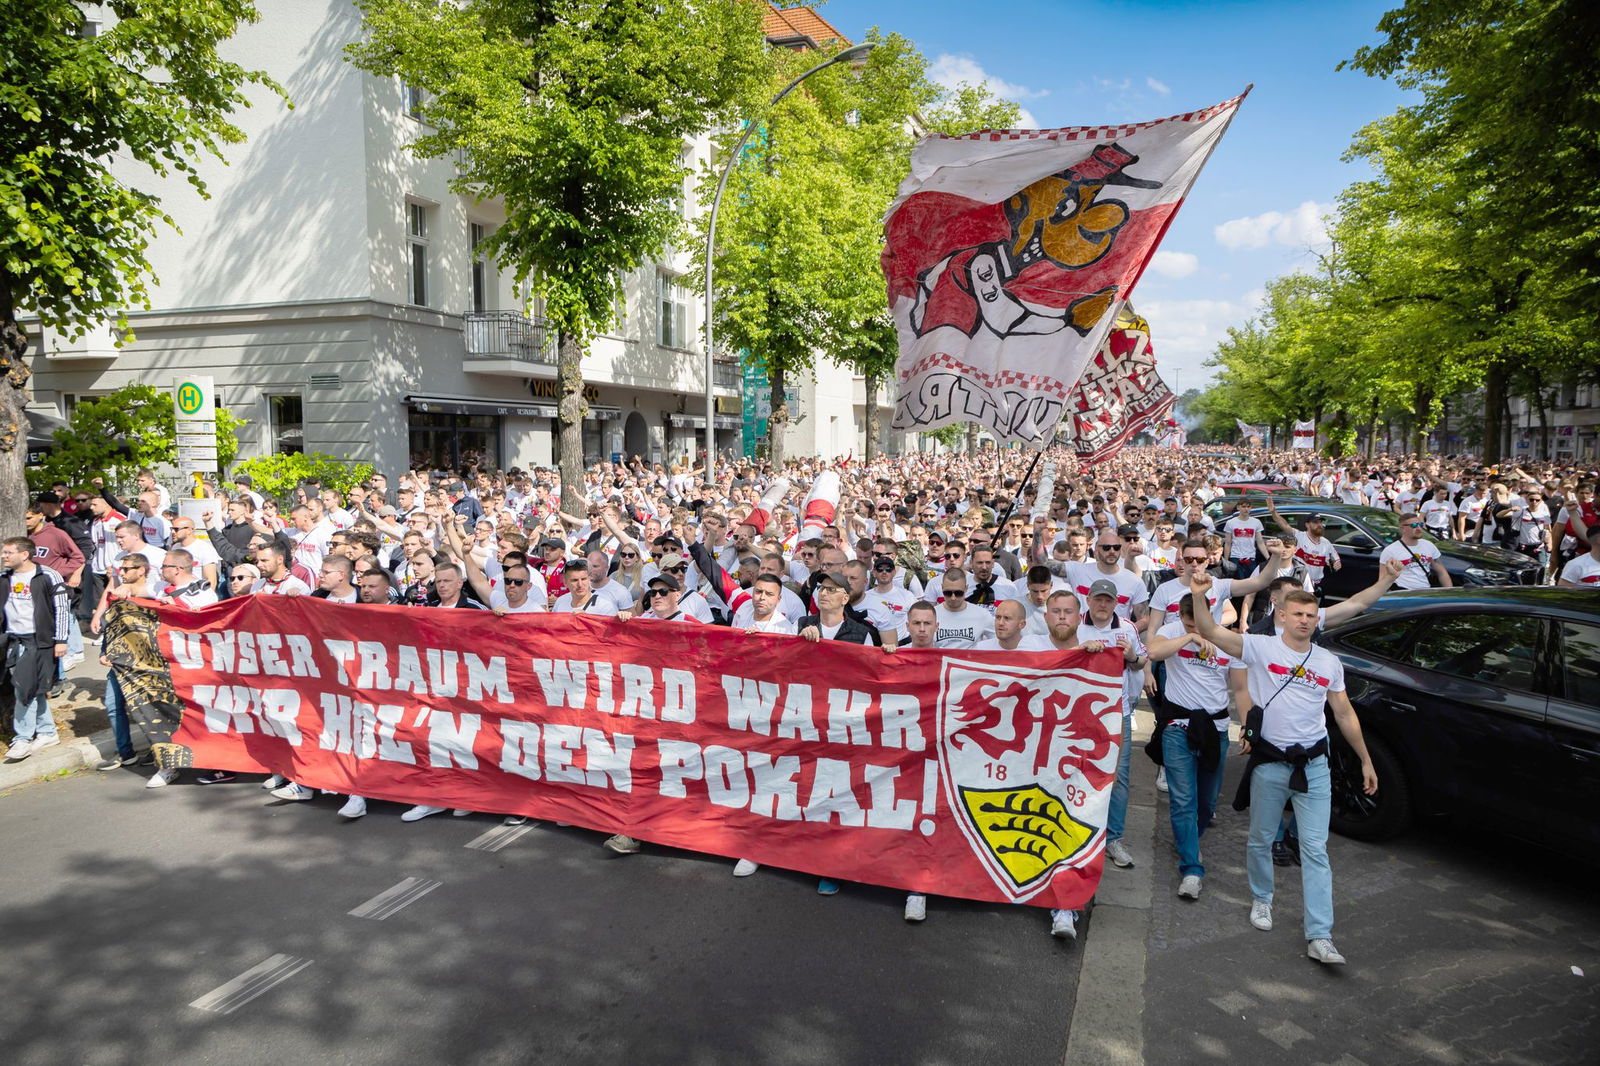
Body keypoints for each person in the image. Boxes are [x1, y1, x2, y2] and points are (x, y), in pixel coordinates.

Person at [1187, 571, 1378, 966]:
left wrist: (1365, 759)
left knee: (1315, 850)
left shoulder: (1328, 661)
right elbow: (1209, 629)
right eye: (1298, 614)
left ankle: (1320, 934)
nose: (1305, 620)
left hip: (1315, 765)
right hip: (1271, 762)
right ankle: (1262, 899)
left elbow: (1343, 712)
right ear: (1283, 615)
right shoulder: (1259, 647)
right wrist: (1201, 596)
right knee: (1260, 839)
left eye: (1311, 615)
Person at [1144, 595, 1239, 900]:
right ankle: (1192, 868)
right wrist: (1189, 636)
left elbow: (1242, 688)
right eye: (1187, 621)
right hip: (1178, 728)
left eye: (1197, 622)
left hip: (1217, 728)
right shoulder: (1174, 630)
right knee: (1183, 800)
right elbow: (1154, 651)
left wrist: (1251, 727)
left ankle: (1188, 841)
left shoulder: (1229, 639)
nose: (1192, 626)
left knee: (1207, 802)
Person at [1078, 579, 1148, 872]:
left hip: (1116, 713)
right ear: (1089, 601)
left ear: (1116, 603)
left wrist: (1131, 655)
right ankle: (1081, 833)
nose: (1103, 605)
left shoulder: (1127, 628)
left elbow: (1142, 660)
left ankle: (1113, 838)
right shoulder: (1076, 627)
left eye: (1108, 600)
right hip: (1079, 713)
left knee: (1117, 777)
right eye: (1098, 599)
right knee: (1078, 771)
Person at [1, 536, 72, 760]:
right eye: (3, 552)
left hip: (38, 641)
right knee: (30, 688)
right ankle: (47, 731)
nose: (4, 556)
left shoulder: (47, 576)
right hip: (12, 639)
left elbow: (61, 609)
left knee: (24, 688)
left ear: (24, 554)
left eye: (9, 552)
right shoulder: (4, 577)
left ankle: (22, 738)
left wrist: (61, 640)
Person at [1378, 513, 1452, 590]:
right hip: (1403, 593)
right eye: (1413, 525)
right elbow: (1382, 579)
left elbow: (1442, 572)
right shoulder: (1390, 551)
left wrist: (1450, 593)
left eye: (1420, 524)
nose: (1419, 528)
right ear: (1402, 529)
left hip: (1425, 592)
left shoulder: (1429, 545)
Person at [932, 568, 996, 649]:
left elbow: (997, 640)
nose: (953, 598)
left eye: (958, 593)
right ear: (942, 588)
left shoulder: (981, 614)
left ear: (966, 588)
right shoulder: (931, 614)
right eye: (948, 593)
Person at [972, 599, 1051, 651]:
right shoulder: (981, 649)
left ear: (1022, 624)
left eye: (1007, 618)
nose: (1000, 623)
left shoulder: (1035, 649)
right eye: (998, 617)